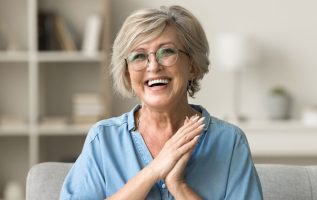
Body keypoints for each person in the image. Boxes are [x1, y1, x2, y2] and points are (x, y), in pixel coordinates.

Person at [60, 5, 263, 200]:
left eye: (167, 52)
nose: (153, 66)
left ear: (192, 65)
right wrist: (153, 172)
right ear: (127, 72)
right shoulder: (104, 139)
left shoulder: (230, 141)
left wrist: (178, 186)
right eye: (139, 56)